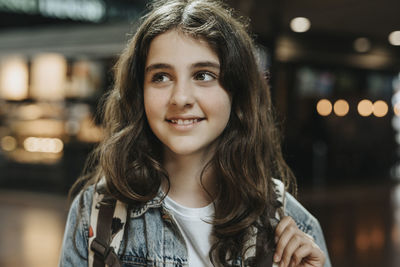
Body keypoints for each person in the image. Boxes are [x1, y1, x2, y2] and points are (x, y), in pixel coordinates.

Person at [59, 0, 331, 266]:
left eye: (203, 75)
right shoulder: (95, 214)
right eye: (161, 77)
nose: (180, 98)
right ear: (139, 93)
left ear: (236, 92)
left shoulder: (292, 226)